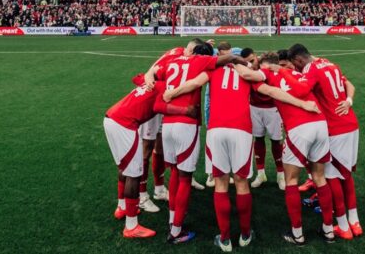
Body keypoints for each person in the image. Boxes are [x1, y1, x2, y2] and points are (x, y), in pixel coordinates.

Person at [164, 58, 319, 251]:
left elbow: (194, 83)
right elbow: (271, 91)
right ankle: (245, 234)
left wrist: (171, 92)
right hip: (242, 130)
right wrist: (302, 104)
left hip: (217, 129)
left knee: (220, 183)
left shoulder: (214, 70)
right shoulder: (246, 73)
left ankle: (225, 238)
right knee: (241, 182)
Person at [140, 40, 243, 244]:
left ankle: (172, 221)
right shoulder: (201, 62)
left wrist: (149, 75)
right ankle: (177, 231)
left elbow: (152, 76)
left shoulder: (172, 62)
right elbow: (227, 58)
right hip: (186, 124)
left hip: (167, 125)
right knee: (185, 177)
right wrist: (241, 60)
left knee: (175, 173)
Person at [282, 43, 362, 239]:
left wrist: (281, 73)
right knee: (346, 176)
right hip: (350, 122)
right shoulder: (330, 64)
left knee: (331, 176)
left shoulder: (310, 69)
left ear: (299, 60)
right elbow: (349, 84)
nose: (296, 68)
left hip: (335, 127)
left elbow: (301, 90)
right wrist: (349, 101)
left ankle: (343, 226)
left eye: (295, 65)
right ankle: (355, 222)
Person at [103, 74, 197, 239]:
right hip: (124, 124)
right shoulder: (164, 87)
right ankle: (131, 226)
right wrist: (186, 110)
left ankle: (122, 207)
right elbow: (159, 106)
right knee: (134, 174)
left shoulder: (155, 83)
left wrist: (148, 78)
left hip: (111, 117)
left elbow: (137, 78)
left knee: (124, 168)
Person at [260, 51, 338, 245]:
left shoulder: (268, 74)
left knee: (291, 180)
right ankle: (329, 231)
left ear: (267, 66)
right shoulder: (298, 74)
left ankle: (298, 234)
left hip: (299, 129)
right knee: (319, 177)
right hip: (320, 124)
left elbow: (253, 78)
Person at [243, 48, 286, 190]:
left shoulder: (278, 72)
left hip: (273, 110)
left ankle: (281, 175)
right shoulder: (256, 70)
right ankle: (261, 173)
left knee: (276, 141)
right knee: (258, 138)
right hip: (254, 108)